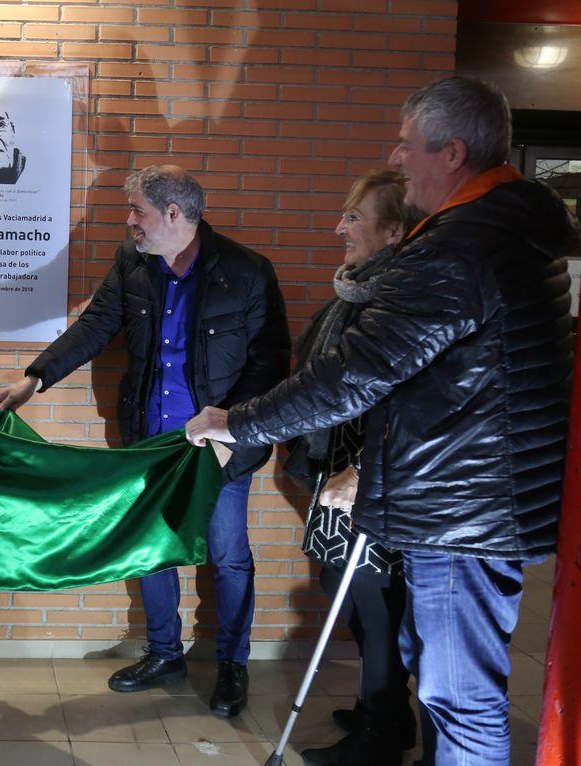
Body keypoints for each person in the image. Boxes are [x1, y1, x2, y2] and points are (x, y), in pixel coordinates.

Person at [186, 76, 578, 766]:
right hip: (478, 499)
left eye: (406, 146)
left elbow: (353, 376)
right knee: (447, 691)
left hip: (462, 510)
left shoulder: (461, 248)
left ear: (451, 153)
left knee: (461, 700)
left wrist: (236, 422)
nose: (396, 159)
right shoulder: (508, 230)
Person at [0, 164, 289, 717]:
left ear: (173, 214)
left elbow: (269, 361)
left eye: (137, 211)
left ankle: (232, 664)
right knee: (152, 551)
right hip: (150, 443)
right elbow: (96, 325)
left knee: (228, 557)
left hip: (219, 446)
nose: (129, 221)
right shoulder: (133, 262)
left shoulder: (247, 271)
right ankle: (164, 653)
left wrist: (232, 426)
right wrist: (36, 376)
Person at [286, 170, 421, 766]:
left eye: (355, 217)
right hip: (340, 468)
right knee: (352, 594)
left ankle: (377, 738)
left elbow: (411, 398)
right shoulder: (357, 293)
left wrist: (364, 469)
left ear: (394, 230)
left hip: (376, 479)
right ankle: (388, 715)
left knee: (375, 603)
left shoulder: (401, 297)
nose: (340, 226)